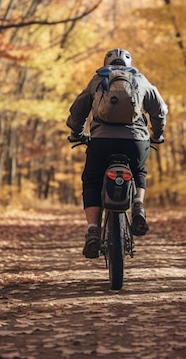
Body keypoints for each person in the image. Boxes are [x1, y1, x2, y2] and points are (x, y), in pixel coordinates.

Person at [67, 48, 168, 258]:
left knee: (92, 180)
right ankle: (138, 205)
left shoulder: (99, 78)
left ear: (106, 62)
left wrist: (77, 133)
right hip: (136, 141)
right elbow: (159, 109)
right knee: (139, 170)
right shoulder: (139, 79)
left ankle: (93, 229)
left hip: (101, 141)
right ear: (129, 64)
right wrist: (156, 134)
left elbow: (79, 108)